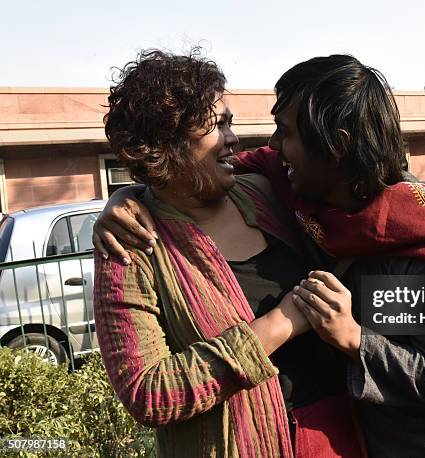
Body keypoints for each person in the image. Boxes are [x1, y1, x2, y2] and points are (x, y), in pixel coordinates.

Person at [95, 54, 425, 457]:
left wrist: (354, 339)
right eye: (218, 126)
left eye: (285, 133)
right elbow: (149, 391)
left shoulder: (408, 251)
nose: (269, 145)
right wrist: (127, 198)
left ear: (335, 147)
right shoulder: (309, 213)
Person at [94, 49, 360, 458]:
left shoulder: (268, 192)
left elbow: (367, 180)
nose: (233, 138)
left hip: (339, 439)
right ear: (167, 143)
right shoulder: (132, 249)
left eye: (230, 122)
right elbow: (147, 392)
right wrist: (278, 324)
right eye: (218, 125)